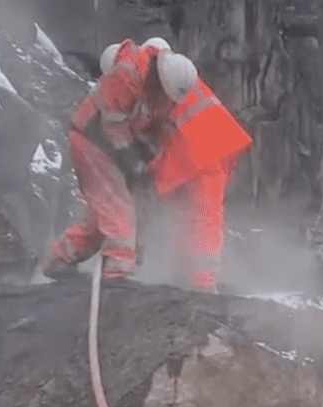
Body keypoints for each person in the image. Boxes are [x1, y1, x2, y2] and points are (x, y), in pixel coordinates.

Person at [42, 37, 252, 291]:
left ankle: (62, 259)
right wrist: (133, 166)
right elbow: (115, 133)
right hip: (196, 149)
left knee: (115, 216)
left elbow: (140, 138)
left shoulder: (155, 85)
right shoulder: (131, 83)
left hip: (195, 152)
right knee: (122, 217)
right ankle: (118, 279)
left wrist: (136, 168)